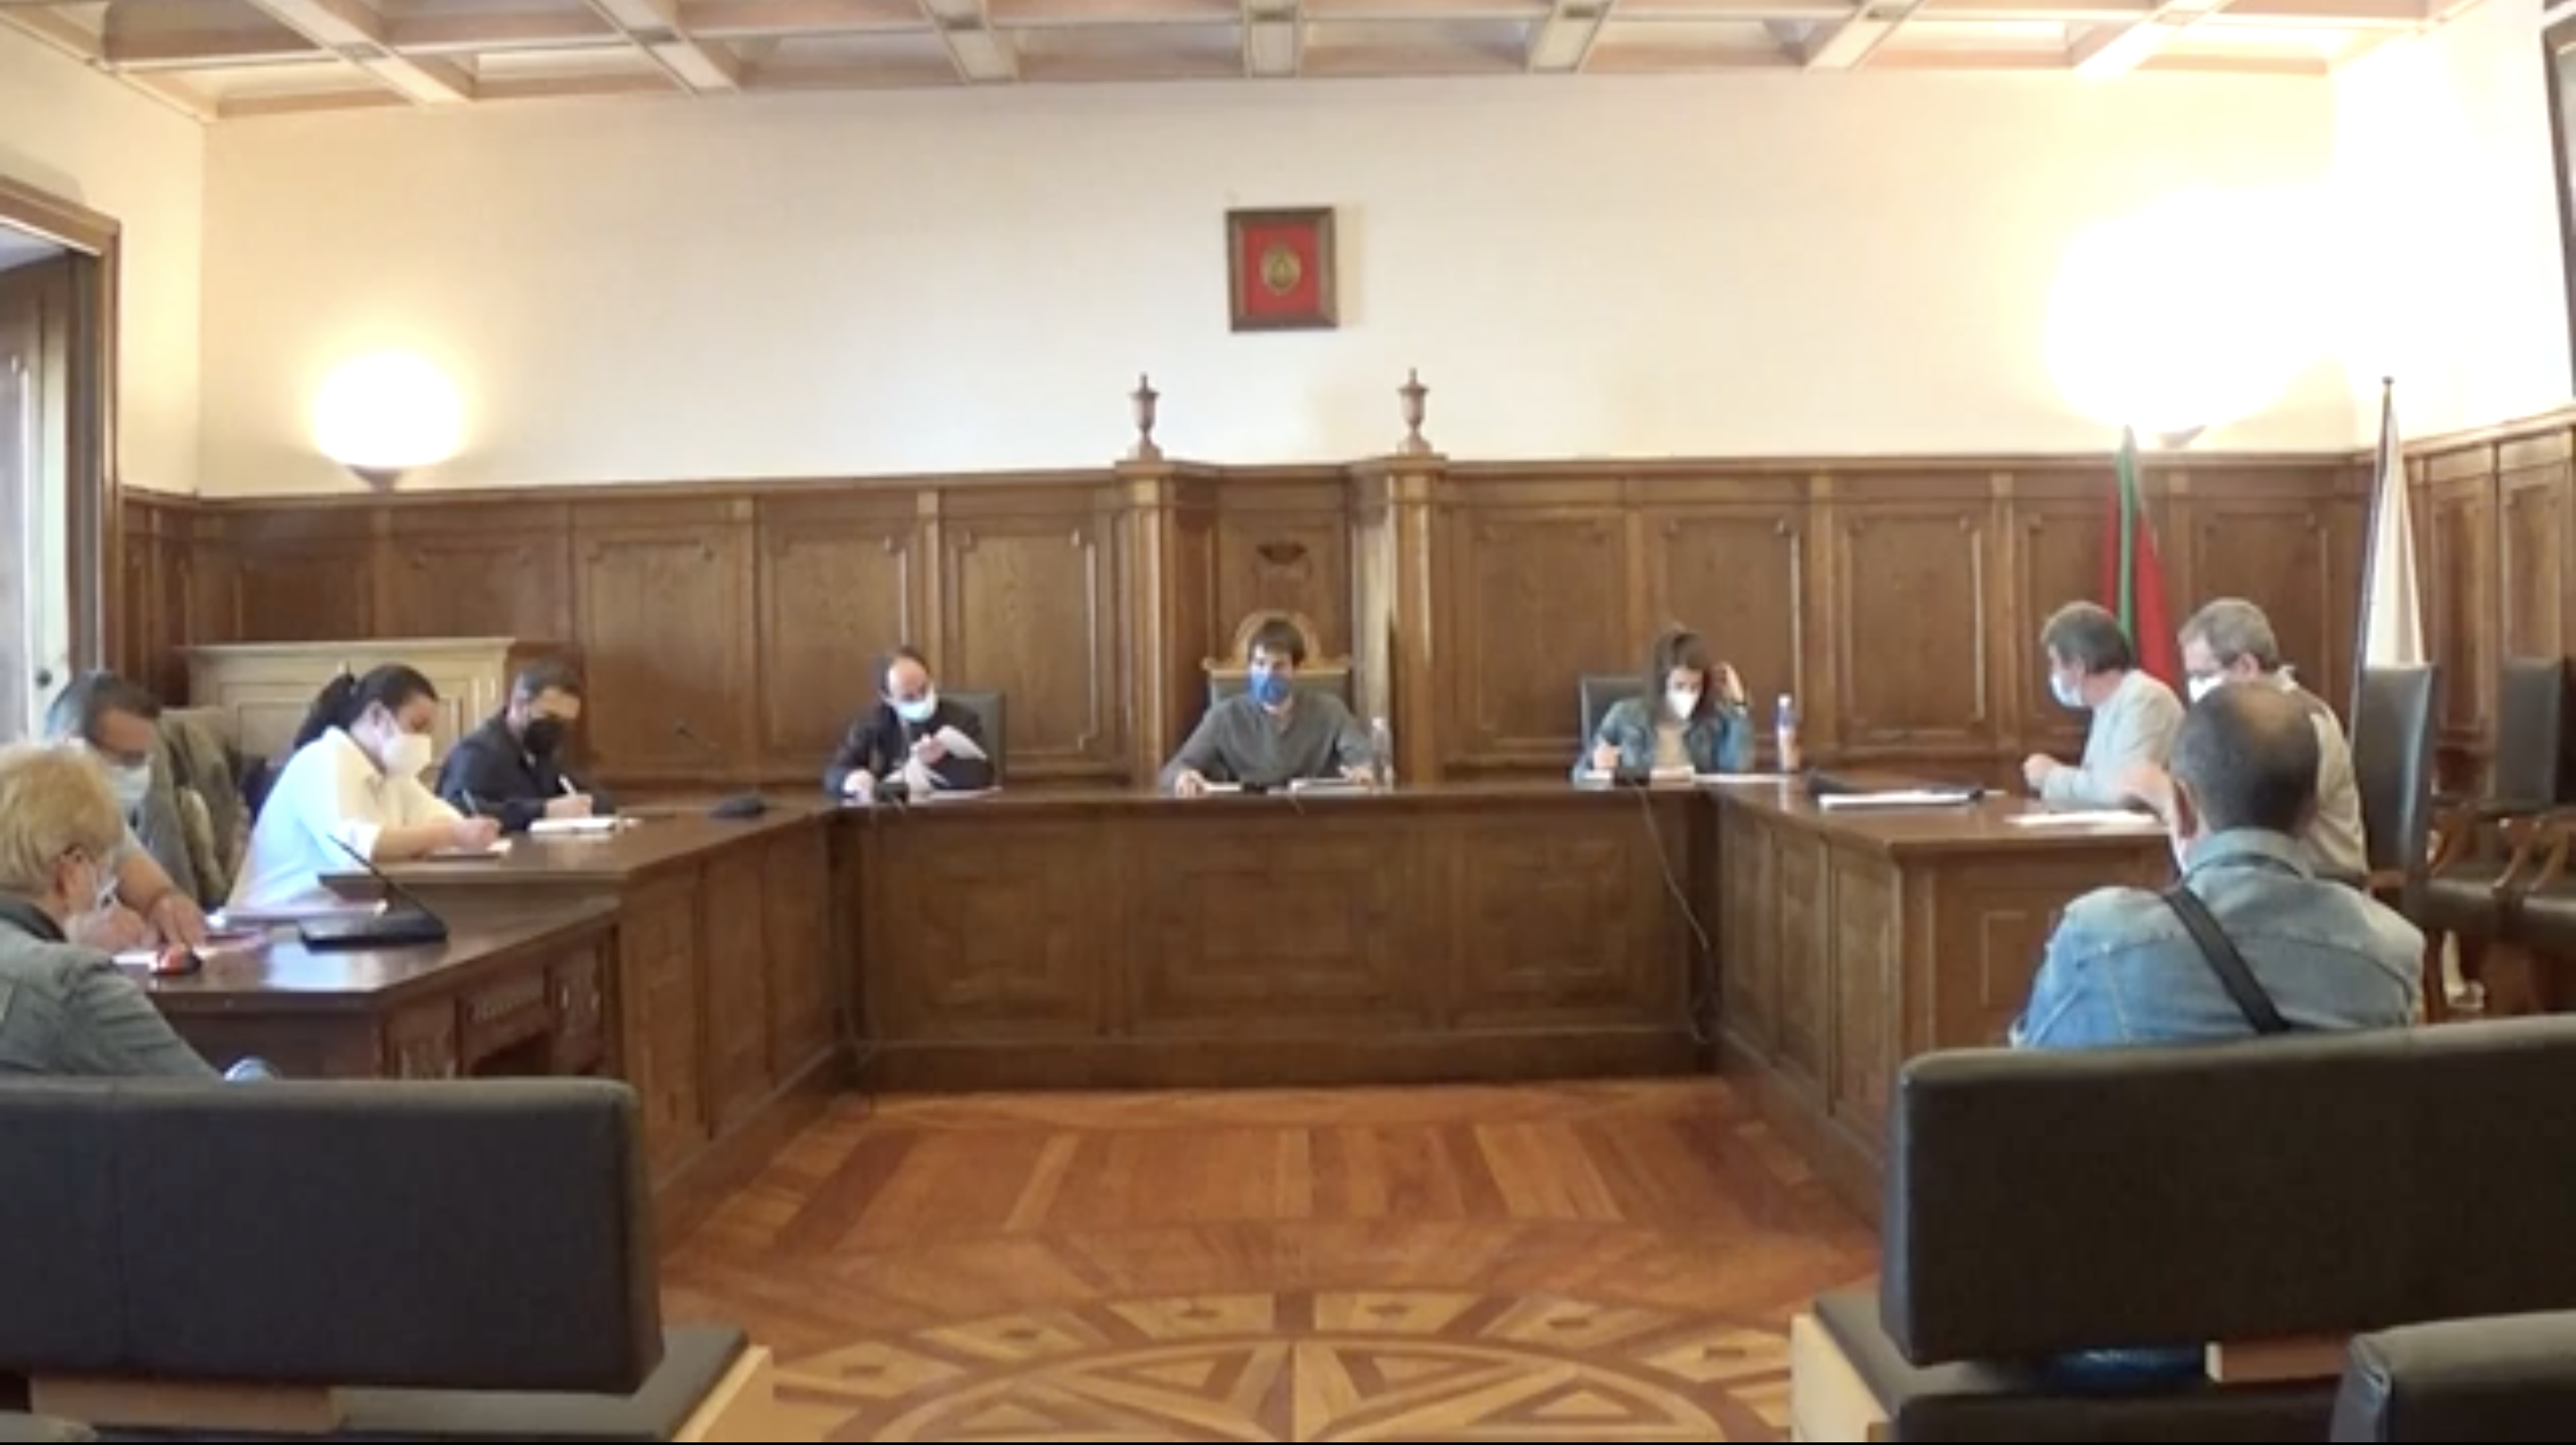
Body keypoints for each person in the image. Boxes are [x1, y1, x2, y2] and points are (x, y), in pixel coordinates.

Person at [2012, 681, 2423, 1051]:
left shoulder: (2098, 939)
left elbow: (2033, 1077)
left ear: (2181, 806)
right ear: (2310, 814)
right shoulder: (2391, 952)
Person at [0, 741, 232, 1078]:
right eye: (105, 876)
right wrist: (252, 1071)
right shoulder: (74, 985)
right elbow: (216, 1104)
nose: (105, 893)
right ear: (73, 871)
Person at [2121, 598, 2367, 883]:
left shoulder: (2307, 723)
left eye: (2202, 675)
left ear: (2246, 666)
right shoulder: (2231, 721)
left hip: (2318, 887)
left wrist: (2170, 796)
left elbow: (2258, 824)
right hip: (2253, 879)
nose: (2193, 688)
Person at [229, 665, 500, 912]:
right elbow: (355, 850)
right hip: (276, 921)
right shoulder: (323, 759)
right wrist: (443, 835)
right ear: (377, 716)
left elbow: (448, 819)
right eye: (417, 727)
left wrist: (438, 835)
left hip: (341, 917)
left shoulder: (392, 772)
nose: (424, 741)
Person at [38, 670, 209, 948]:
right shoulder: (16, 826)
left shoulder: (102, 820)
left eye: (144, 761)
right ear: (73, 749)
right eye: (129, 760)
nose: (139, 773)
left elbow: (155, 891)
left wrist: (168, 905)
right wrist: (74, 934)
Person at [1161, 616, 1370, 796]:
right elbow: (1174, 769)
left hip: (1314, 817)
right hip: (1245, 817)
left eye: (1279, 666)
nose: (1268, 674)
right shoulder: (1224, 716)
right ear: (1250, 668)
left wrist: (1364, 771)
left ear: (1296, 669)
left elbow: (1366, 760)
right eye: (1260, 664)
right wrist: (1184, 777)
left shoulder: (1330, 710)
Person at [2022, 601, 2185, 807]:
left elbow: (2125, 792)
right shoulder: (2107, 705)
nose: (2053, 674)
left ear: (2079, 667)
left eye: (2055, 663)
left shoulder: (2146, 699)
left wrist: (2052, 776)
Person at [437, 661, 614, 832]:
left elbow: (592, 794)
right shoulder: (477, 752)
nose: (558, 729)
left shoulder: (543, 751)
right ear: (519, 704)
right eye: (550, 717)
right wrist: (542, 811)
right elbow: (460, 811)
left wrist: (588, 803)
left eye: (566, 723)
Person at [823, 646, 997, 803]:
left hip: (947, 818)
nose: (921, 700)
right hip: (888, 819)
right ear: (887, 698)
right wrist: (852, 778)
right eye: (909, 697)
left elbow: (983, 774)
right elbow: (835, 773)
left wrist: (937, 763)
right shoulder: (870, 724)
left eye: (924, 689)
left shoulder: (961, 718)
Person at [1576, 626, 1751, 778]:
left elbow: (1737, 769)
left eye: (1695, 687)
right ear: (1661, 682)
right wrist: (1597, 766)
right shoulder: (1624, 716)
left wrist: (1738, 707)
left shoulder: (1713, 721)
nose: (1688, 694)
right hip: (1636, 805)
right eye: (1679, 686)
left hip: (1694, 805)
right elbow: (1579, 774)